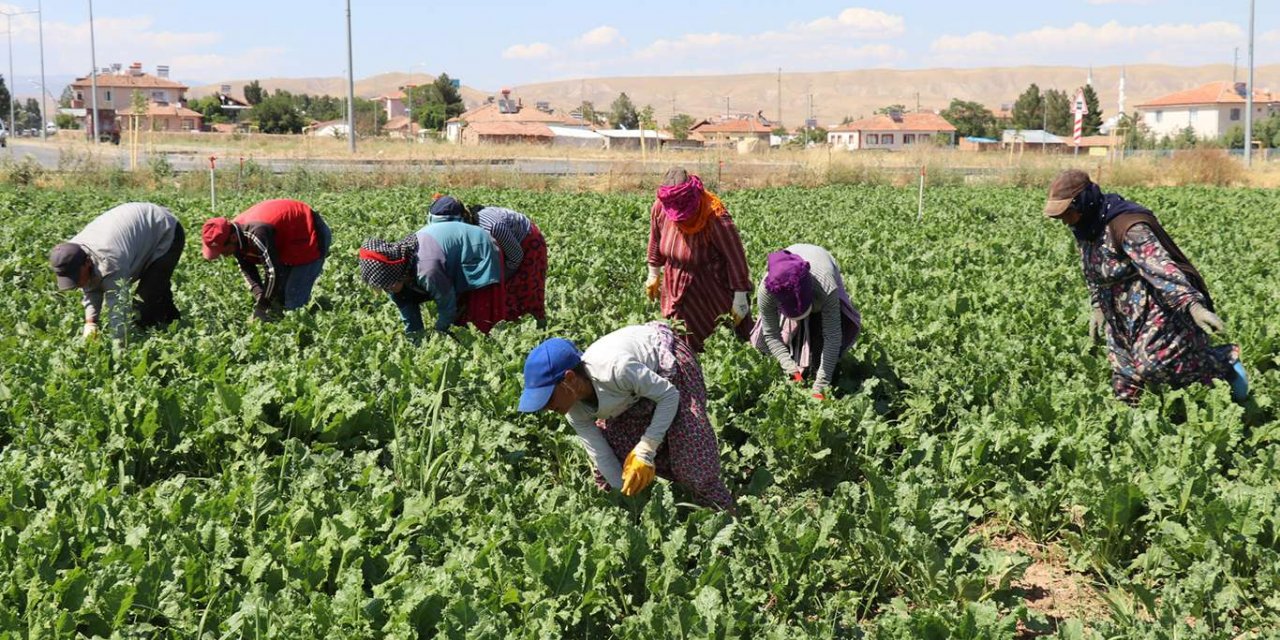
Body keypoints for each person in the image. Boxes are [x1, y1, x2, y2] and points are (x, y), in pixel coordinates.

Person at [1043, 169, 1247, 404]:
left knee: (1153, 365)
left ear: (1084, 202)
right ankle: (1130, 436)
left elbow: (1162, 269)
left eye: (1067, 212)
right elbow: (1092, 271)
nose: (1064, 220)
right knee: (1125, 384)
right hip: (1119, 316)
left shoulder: (1127, 227)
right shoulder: (1085, 228)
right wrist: (1098, 306)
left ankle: (1223, 362)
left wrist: (1192, 305)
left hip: (1155, 311)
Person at [517, 322, 734, 510]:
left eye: (547, 398)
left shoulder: (615, 370)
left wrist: (647, 448)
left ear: (570, 379)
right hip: (630, 394)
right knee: (615, 460)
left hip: (668, 371)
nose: (546, 407)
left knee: (693, 460)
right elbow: (601, 454)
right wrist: (628, 498)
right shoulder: (574, 409)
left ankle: (729, 519)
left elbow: (669, 396)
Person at [645, 167, 753, 352]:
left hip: (710, 290)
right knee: (682, 342)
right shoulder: (661, 208)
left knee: (719, 342)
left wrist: (740, 296)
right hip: (675, 287)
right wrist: (653, 272)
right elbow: (655, 240)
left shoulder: (714, 216)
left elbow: (735, 257)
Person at [358, 205, 506, 335]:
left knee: (477, 316)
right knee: (457, 316)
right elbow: (408, 313)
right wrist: (415, 339)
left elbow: (447, 303)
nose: (387, 289)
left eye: (387, 285)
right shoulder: (397, 272)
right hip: (449, 256)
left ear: (395, 274)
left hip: (479, 249)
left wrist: (438, 332)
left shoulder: (426, 269)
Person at [48, 202, 184, 339]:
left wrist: (118, 346)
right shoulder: (73, 252)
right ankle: (176, 327)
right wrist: (91, 323)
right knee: (157, 291)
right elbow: (90, 285)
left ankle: (147, 339)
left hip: (165, 231)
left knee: (144, 300)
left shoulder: (110, 262)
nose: (76, 283)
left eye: (76, 277)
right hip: (143, 229)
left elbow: (119, 306)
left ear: (87, 263)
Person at [751, 245, 862, 399]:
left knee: (819, 355)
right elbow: (771, 335)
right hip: (787, 285)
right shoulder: (768, 290)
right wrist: (791, 369)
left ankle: (819, 370)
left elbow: (833, 336)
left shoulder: (825, 285)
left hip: (821, 268)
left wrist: (821, 386)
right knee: (771, 347)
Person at [200, 199, 331, 322]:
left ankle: (306, 335)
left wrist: (261, 307)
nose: (223, 255)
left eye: (222, 251)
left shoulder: (257, 232)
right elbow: (247, 268)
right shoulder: (231, 234)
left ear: (233, 238)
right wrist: (260, 297)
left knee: (293, 301)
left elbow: (273, 272)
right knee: (278, 298)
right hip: (287, 241)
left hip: (309, 233)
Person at [428, 195, 547, 325]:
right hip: (499, 247)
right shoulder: (464, 233)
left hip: (526, 243)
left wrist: (500, 279)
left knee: (522, 291)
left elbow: (516, 256)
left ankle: (536, 327)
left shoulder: (492, 227)